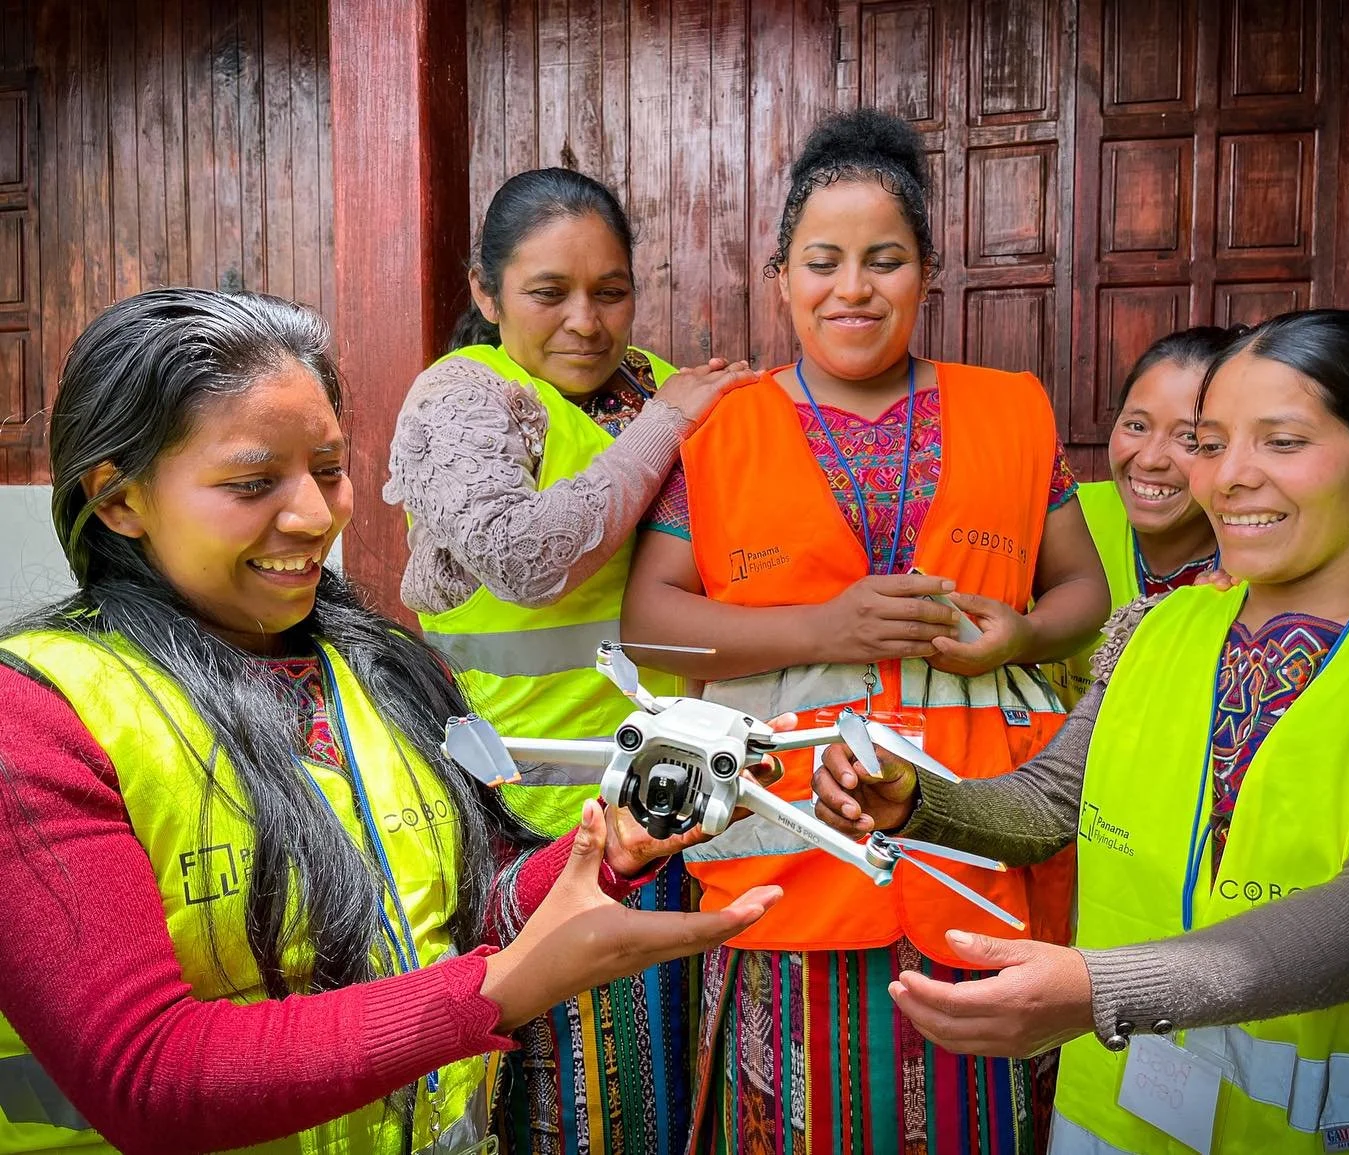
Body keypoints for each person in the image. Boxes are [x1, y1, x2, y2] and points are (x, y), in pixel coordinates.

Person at [0, 288, 780, 1155]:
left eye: (329, 469)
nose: (317, 515)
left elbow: (456, 912)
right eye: (254, 482)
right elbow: (152, 1076)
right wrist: (498, 990)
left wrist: (613, 846)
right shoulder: (38, 716)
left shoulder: (374, 667)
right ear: (118, 500)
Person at [814, 308, 1349, 1153]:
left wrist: (1099, 988)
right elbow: (1052, 801)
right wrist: (916, 799)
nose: (1232, 477)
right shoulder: (1157, 625)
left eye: (1283, 442)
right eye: (1212, 443)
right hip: (1116, 1118)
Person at [622, 108, 1110, 1153]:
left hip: (974, 845)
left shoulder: (1012, 411)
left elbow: (1085, 594)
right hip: (781, 847)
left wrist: (1019, 636)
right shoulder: (721, 428)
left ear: (927, 273)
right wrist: (825, 623)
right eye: (824, 261)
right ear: (780, 275)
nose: (853, 288)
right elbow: (651, 621)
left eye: (884, 261)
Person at [385, 168, 755, 1154]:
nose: (586, 320)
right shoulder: (465, 395)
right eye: (550, 292)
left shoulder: (648, 380)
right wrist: (674, 421)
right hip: (523, 816)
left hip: (665, 799)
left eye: (611, 290)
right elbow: (530, 557)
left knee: (669, 1076)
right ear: (485, 291)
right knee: (563, 1091)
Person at [1049, 327, 1237, 705]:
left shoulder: (1260, 560)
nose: (1150, 459)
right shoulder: (1063, 516)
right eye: (1136, 426)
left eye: (1189, 439)